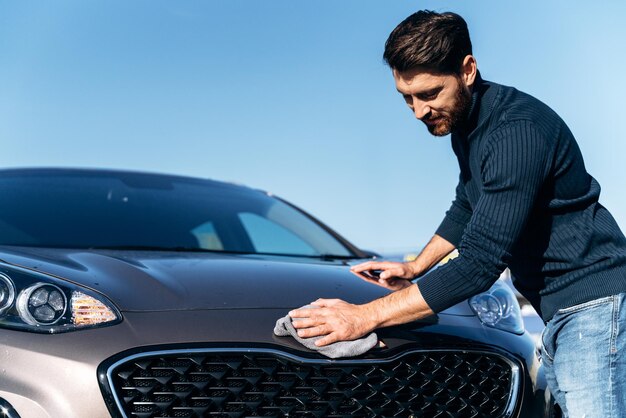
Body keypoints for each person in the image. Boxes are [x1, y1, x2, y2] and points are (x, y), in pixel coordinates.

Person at [289, 10, 626, 417]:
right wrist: (416, 266)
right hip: (560, 313)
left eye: (429, 94)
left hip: (594, 309)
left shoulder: (516, 131)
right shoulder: (467, 125)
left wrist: (363, 317)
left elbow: (479, 265)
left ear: (467, 70)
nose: (418, 111)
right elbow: (467, 204)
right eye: (406, 98)